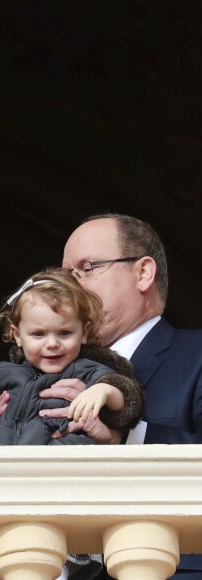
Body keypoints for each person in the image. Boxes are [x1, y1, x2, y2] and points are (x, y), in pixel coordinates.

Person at [0, 268, 144, 580]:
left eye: (64, 333)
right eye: (38, 334)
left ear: (84, 332)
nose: (52, 344)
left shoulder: (89, 371)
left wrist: (105, 392)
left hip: (54, 494)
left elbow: (127, 399)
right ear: (16, 334)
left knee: (45, 564)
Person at [55, 213, 202, 579]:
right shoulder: (46, 372)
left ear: (143, 273)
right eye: (64, 276)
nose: (68, 289)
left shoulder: (196, 353)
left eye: (86, 268)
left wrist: (126, 436)